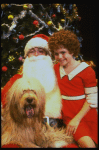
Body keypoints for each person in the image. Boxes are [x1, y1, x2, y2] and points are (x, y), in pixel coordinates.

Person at [48, 29, 98, 148]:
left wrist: (76, 120)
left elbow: (91, 99)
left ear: (72, 51)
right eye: (56, 53)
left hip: (84, 114)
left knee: (88, 145)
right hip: (66, 114)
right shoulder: (55, 69)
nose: (59, 57)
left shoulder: (87, 71)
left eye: (63, 52)